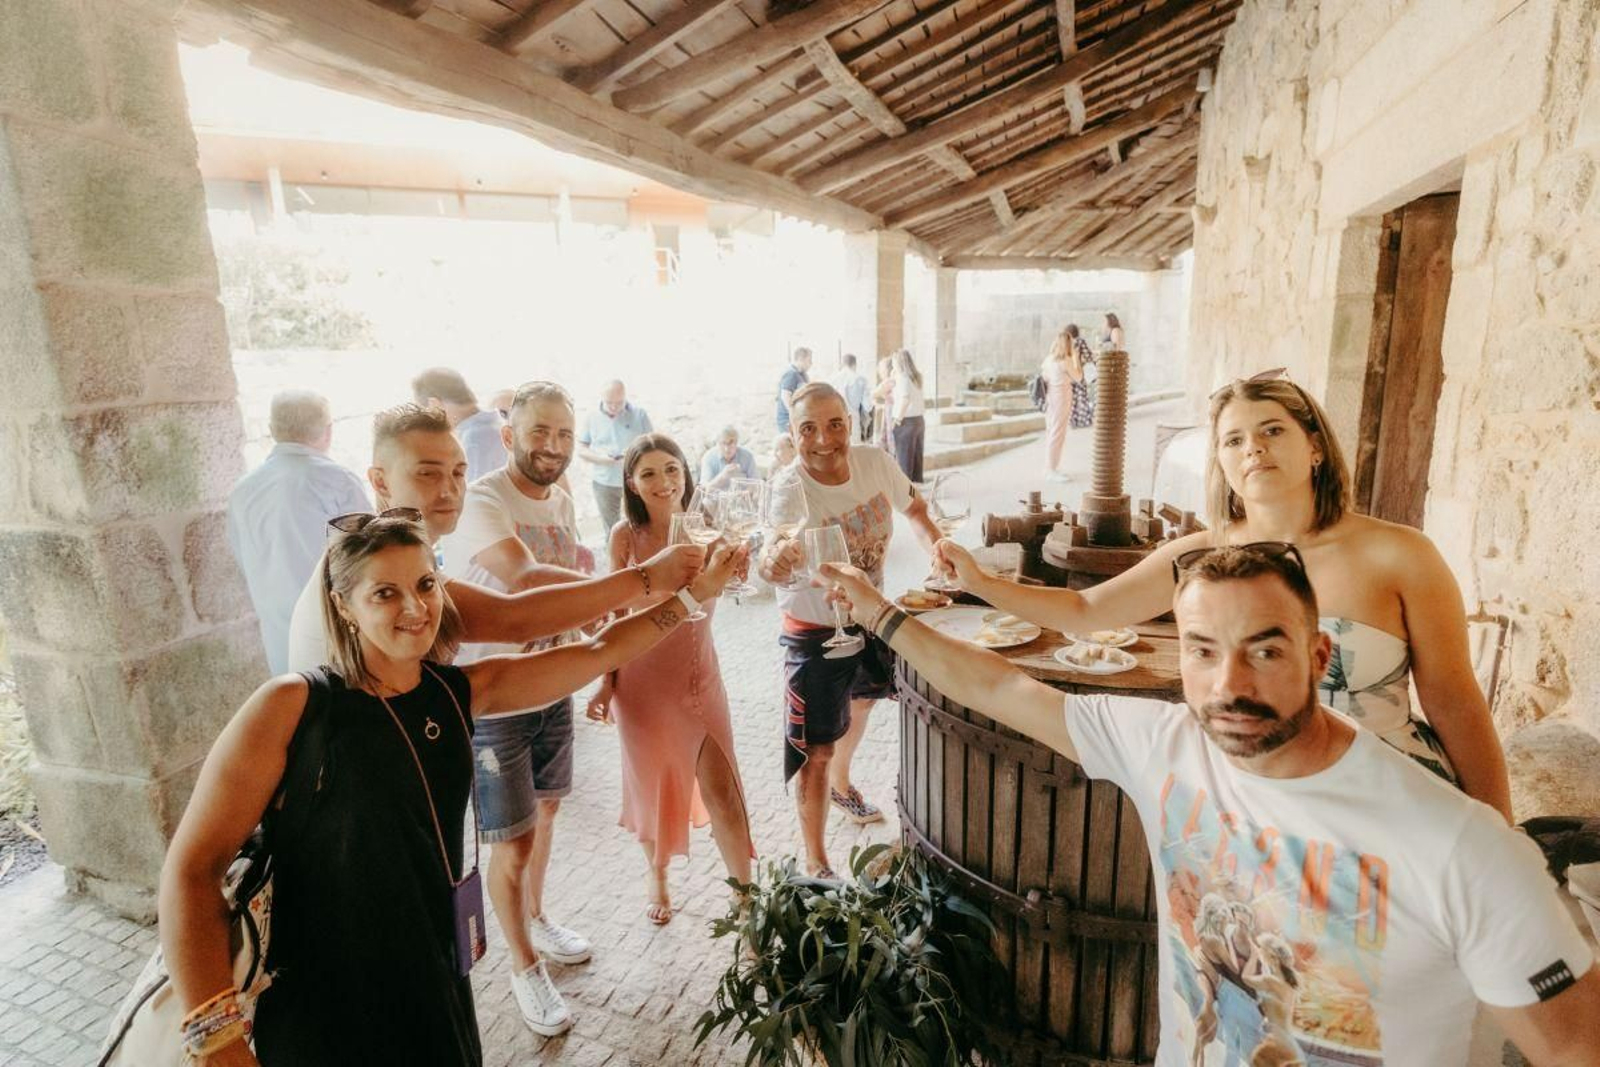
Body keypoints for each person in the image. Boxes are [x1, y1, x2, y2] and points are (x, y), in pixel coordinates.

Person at [821, 545, 1600, 1067]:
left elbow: (1575, 1047)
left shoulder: (1463, 846)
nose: (1230, 684)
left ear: (1319, 656)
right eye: (1203, 649)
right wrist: (881, 613)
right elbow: (999, 685)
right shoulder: (1165, 746)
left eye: (1265, 648)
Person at [159, 512, 744, 1066]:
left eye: (426, 585)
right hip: (323, 994)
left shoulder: (458, 693)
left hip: (435, 975)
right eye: (384, 593)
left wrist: (695, 594)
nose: (416, 608)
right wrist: (217, 1038)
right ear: (342, 605)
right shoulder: (293, 707)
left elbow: (601, 650)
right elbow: (192, 868)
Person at [937, 372, 1513, 819]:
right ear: (1222, 464)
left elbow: (1455, 703)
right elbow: (1086, 611)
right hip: (1252, 801)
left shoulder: (1401, 554)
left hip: (1384, 797)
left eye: (1272, 430)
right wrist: (980, 583)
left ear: (1315, 446)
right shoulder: (1202, 557)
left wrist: (1500, 833)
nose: (1253, 448)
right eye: (1234, 440)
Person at [284, 403, 702, 675]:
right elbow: (514, 618)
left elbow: (525, 663)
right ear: (380, 481)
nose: (449, 489)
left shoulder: (407, 553)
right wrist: (648, 579)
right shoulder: (375, 558)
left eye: (458, 473)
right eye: (427, 473)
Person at [439, 380, 606, 1032]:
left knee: (546, 813)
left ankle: (536, 917)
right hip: (497, 701)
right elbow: (526, 579)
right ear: (508, 434)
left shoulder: (561, 499)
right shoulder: (483, 500)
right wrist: (624, 590)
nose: (553, 446)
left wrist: (597, 648)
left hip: (553, 687)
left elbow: (563, 592)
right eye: (539, 431)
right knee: (510, 843)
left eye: (564, 433)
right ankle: (523, 966)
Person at [756, 383, 942, 876]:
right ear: (793, 433)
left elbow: (916, 510)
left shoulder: (875, 463)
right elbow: (771, 553)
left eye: (834, 424)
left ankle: (841, 784)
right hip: (815, 628)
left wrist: (940, 551)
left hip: (870, 614)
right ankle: (817, 863)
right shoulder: (788, 488)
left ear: (851, 423)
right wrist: (773, 562)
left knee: (862, 701)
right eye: (808, 429)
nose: (824, 439)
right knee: (815, 749)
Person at [587, 435, 755, 924]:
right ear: (632, 484)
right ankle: (656, 874)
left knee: (725, 793)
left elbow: (733, 583)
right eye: (649, 473)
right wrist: (605, 681)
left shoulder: (710, 528)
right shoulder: (625, 536)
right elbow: (613, 614)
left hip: (701, 677)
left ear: (685, 472)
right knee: (652, 790)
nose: (664, 482)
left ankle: (747, 901)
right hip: (641, 681)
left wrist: (739, 572)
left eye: (672, 469)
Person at [227, 389, 369, 673]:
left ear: (272, 431)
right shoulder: (337, 481)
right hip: (342, 634)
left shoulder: (242, 492)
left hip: (281, 640)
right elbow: (372, 556)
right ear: (328, 431)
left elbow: (243, 561)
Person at [578, 379, 653, 534]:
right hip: (603, 481)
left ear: (625, 397)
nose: (614, 407)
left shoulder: (640, 414)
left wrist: (634, 455)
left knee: (641, 523)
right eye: (609, 403)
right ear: (602, 398)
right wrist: (601, 459)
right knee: (611, 529)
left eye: (619, 403)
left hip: (635, 480)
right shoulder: (591, 417)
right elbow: (581, 450)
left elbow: (652, 445)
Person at [413, 366, 507, 484]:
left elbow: (472, 494)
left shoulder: (475, 440)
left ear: (434, 405)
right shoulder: (497, 425)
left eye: (425, 414)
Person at [887, 348, 927, 483]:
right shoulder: (916, 377)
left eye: (894, 361)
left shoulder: (903, 378)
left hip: (905, 422)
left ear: (899, 362)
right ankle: (916, 487)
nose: (892, 364)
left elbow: (905, 399)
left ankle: (905, 491)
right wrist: (893, 376)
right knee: (916, 459)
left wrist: (897, 420)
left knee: (904, 460)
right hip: (918, 421)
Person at [1040, 328, 1075, 479]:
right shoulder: (1065, 361)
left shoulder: (1048, 360)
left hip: (1050, 398)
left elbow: (1044, 378)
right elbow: (1079, 377)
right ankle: (1051, 470)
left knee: (1052, 431)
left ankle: (1050, 467)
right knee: (1058, 433)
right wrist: (1077, 358)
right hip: (1061, 398)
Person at [829, 353, 872, 441]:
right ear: (855, 365)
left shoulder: (832, 380)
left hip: (835, 420)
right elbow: (868, 406)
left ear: (842, 364)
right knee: (853, 446)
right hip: (853, 419)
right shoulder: (860, 379)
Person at [775, 346, 812, 434]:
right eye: (809, 360)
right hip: (788, 421)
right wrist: (794, 414)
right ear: (801, 359)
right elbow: (785, 396)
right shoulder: (791, 374)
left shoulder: (803, 375)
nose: (811, 364)